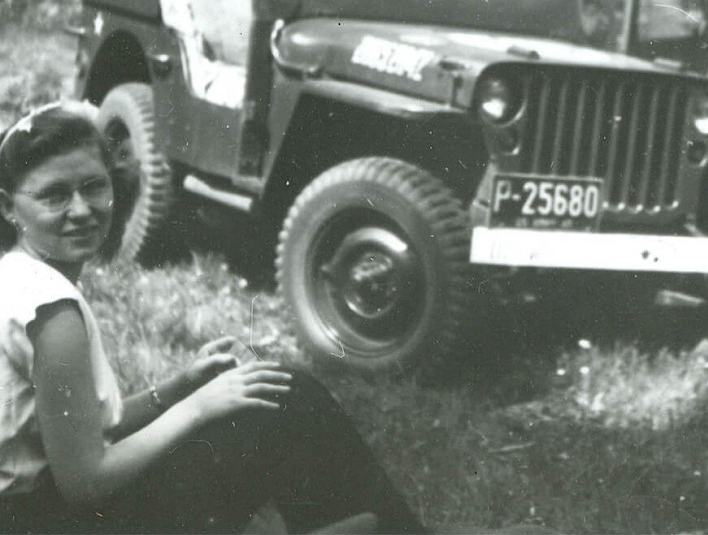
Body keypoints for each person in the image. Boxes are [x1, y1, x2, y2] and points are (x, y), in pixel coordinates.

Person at [0, 103, 428, 535]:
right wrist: (198, 407)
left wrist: (177, 387)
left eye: (93, 186)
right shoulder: (52, 312)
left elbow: (81, 428)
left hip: (32, 514)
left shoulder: (16, 276)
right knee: (284, 398)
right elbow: (85, 482)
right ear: (7, 207)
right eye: (54, 195)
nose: (81, 209)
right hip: (52, 522)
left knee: (273, 393)